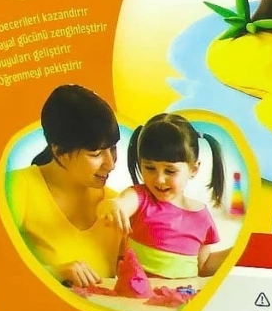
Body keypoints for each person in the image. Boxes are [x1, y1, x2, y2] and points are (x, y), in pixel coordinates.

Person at [6, 85, 122, 288]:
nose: (110, 164)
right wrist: (55, 273)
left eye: (113, 149)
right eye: (95, 154)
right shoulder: (18, 187)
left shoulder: (116, 204)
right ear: (59, 151)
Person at [97, 113, 230, 279]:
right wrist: (113, 206)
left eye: (170, 171)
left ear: (193, 169)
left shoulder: (202, 217)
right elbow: (120, 203)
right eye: (150, 168)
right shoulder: (140, 197)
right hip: (137, 293)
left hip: (181, 294)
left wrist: (239, 252)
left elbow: (203, 266)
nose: (159, 179)